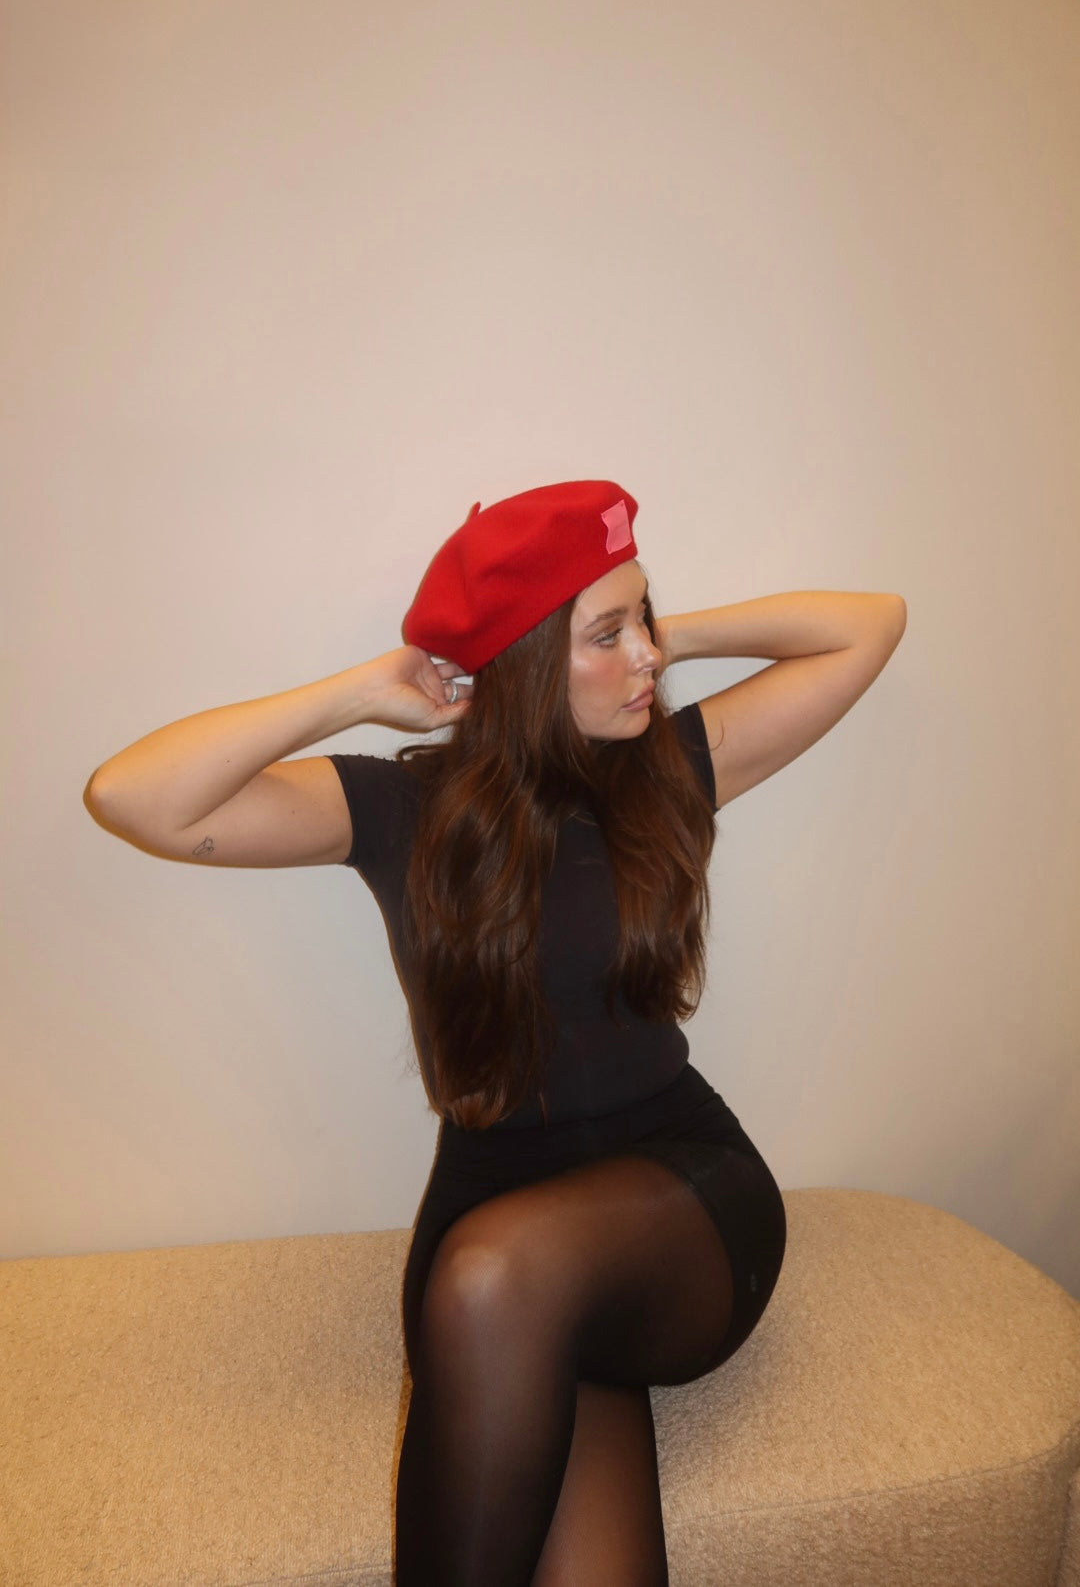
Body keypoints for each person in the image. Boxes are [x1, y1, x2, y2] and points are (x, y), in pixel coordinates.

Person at [85, 479, 907, 1586]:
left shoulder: (670, 768)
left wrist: (661, 632)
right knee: (512, 1308)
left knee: (495, 1279)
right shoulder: (403, 812)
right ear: (521, 663)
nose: (646, 658)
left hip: (680, 1197)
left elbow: (870, 625)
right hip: (498, 1219)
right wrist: (358, 693)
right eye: (606, 635)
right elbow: (135, 796)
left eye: (643, 619)